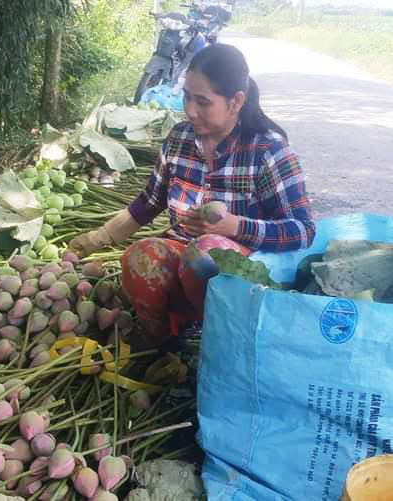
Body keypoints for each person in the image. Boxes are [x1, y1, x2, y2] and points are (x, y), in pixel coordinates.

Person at [69, 43, 315, 349]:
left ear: (236, 101)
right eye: (186, 97)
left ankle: (225, 344)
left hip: (243, 273)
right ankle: (165, 344)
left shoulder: (268, 151)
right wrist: (97, 238)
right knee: (140, 256)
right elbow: (149, 203)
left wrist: (235, 227)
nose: (189, 110)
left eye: (203, 101)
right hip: (184, 260)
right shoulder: (179, 139)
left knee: (203, 254)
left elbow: (303, 230)